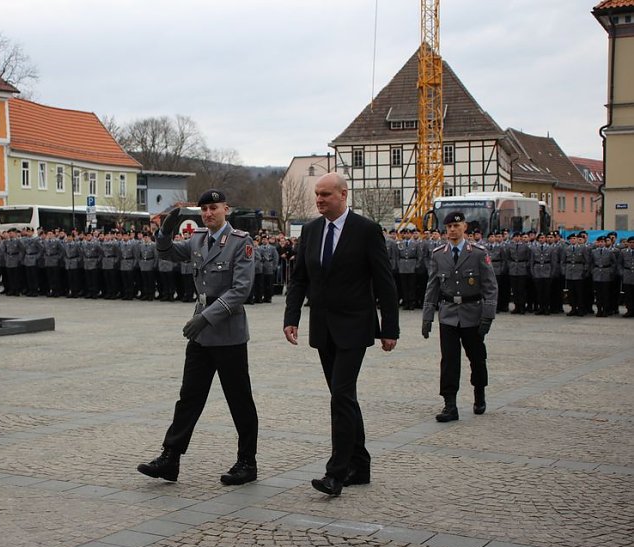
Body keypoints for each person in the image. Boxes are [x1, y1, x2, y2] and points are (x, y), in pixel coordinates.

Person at [283, 173, 399, 497]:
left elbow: (384, 281)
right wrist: (291, 317)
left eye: (326, 195)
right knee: (343, 396)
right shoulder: (311, 231)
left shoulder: (366, 230)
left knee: (341, 396)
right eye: (317, 195)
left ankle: (336, 473)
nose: (319, 200)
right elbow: (299, 279)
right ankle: (360, 465)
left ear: (343, 195)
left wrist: (389, 328)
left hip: (355, 326)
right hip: (323, 326)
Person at [137, 190, 259, 486]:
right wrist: (164, 233)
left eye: (213, 208)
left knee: (239, 399)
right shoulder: (198, 239)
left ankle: (247, 462)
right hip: (201, 333)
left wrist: (206, 317)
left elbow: (241, 290)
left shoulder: (241, 242)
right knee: (189, 397)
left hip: (227, 332)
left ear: (226, 209)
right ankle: (171, 457)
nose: (208, 213)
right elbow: (167, 254)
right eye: (204, 209)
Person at [422, 212, 498, 423]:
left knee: (477, 357)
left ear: (464, 227)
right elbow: (432, 286)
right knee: (449, 361)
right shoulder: (439, 254)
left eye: (456, 226)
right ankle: (450, 405)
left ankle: (479, 392)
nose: (452, 230)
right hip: (448, 315)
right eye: (449, 227)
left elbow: (490, 287)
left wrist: (488, 316)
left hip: (472, 313)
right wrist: (427, 317)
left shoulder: (478, 253)